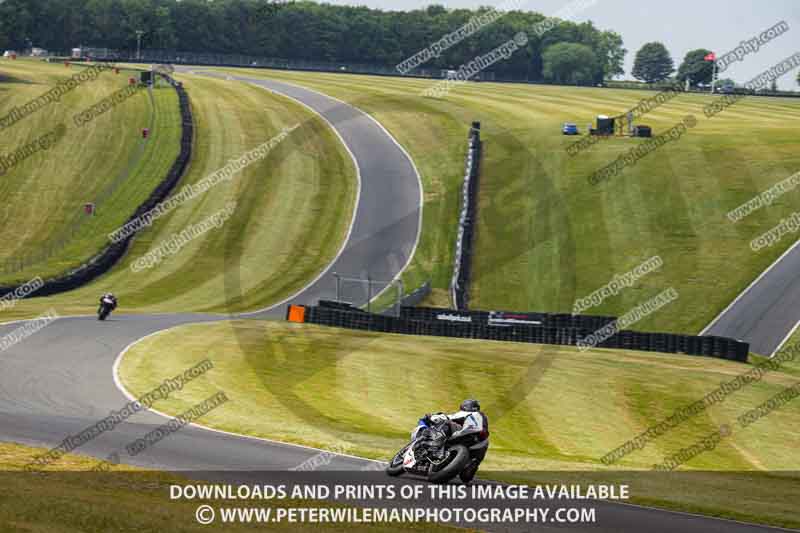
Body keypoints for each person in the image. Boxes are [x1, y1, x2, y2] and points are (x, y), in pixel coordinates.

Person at [424, 399, 489, 483]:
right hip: (480, 443)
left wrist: (433, 416)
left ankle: (435, 447)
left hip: (466, 436)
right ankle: (470, 467)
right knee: (467, 476)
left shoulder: (468, 413)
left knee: (446, 424)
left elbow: (448, 417)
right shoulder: (483, 417)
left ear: (464, 406)